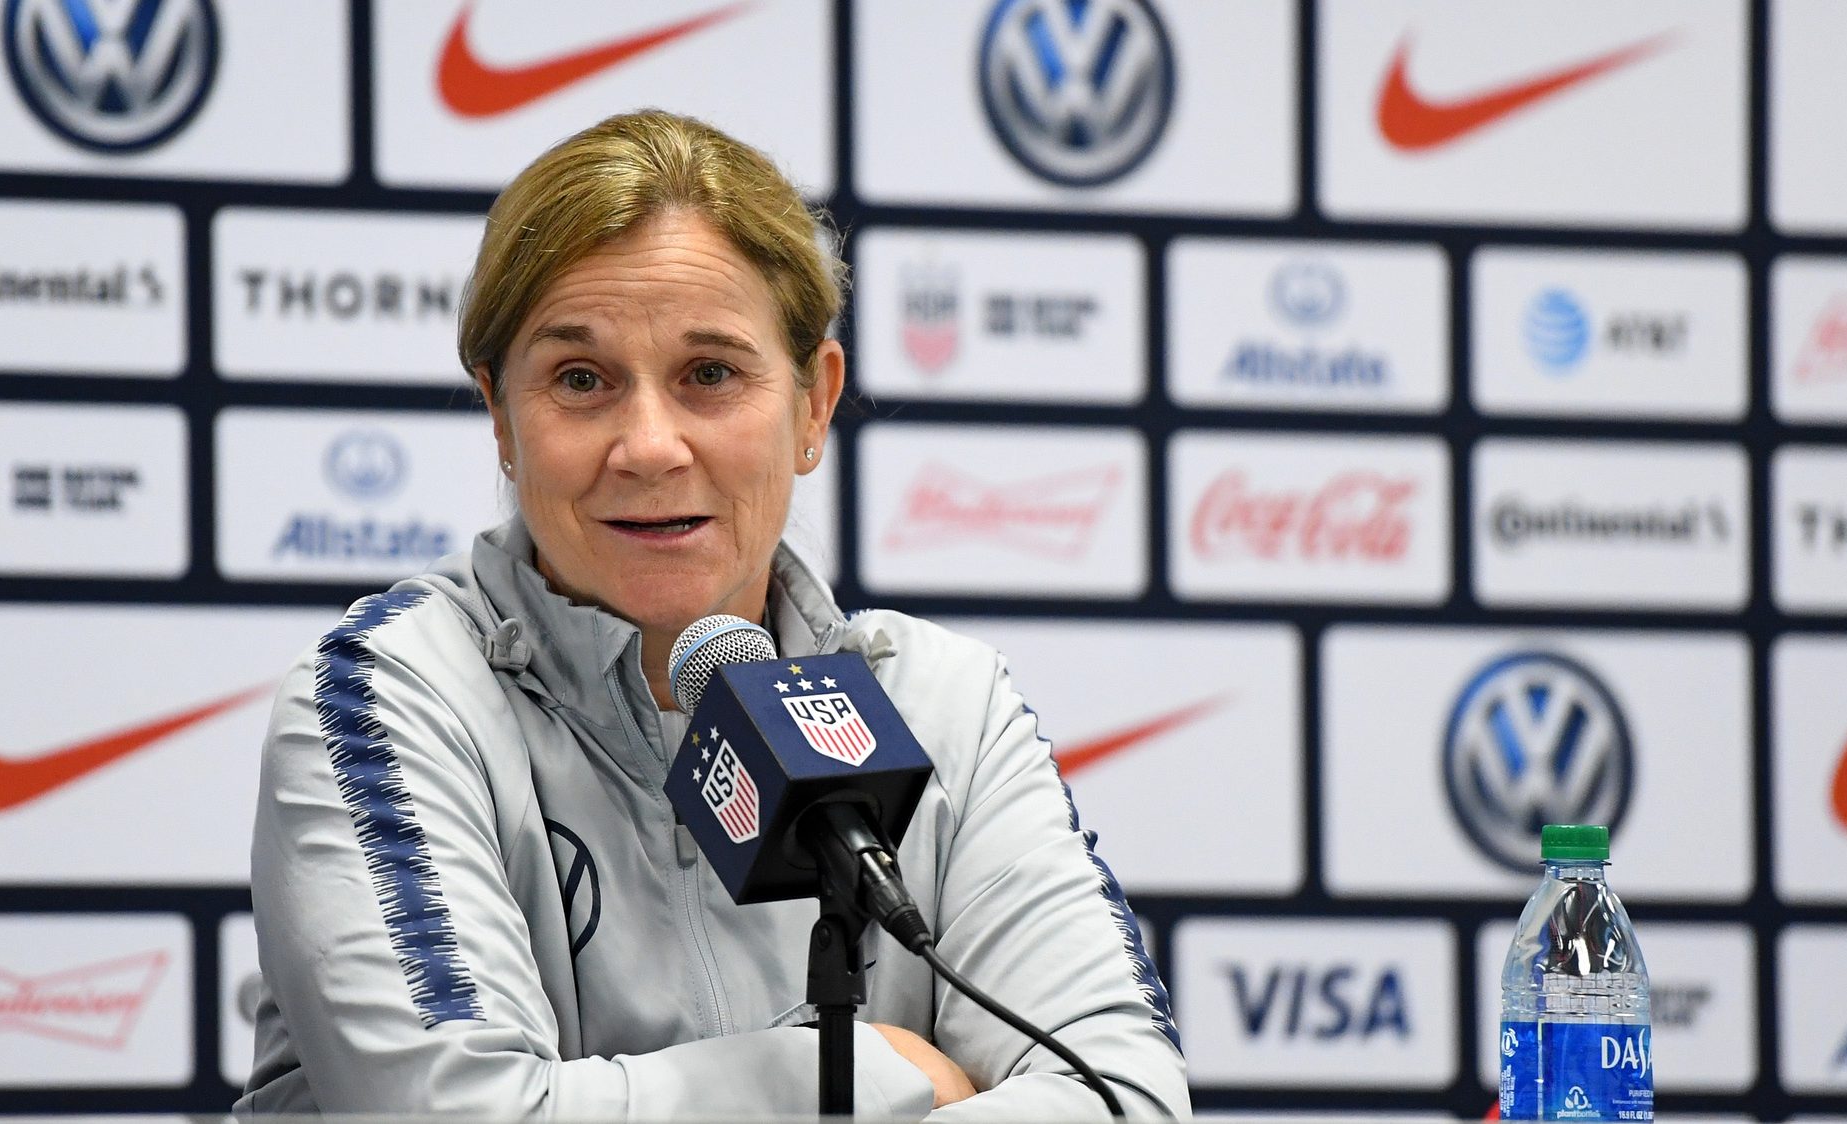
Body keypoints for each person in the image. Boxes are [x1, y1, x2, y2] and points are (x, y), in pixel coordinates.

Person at [238, 108, 1189, 1119]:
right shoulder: (385, 701)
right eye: (580, 378)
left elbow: (1122, 1098)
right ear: (501, 419)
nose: (649, 444)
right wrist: (870, 1076)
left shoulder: (945, 702)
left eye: (710, 374)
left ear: (813, 404)